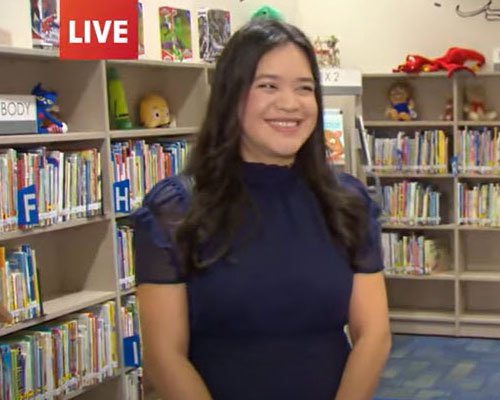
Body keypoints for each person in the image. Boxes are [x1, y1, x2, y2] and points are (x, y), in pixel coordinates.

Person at [133, 18, 391, 400]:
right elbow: (163, 356)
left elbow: (374, 335)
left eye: (304, 88)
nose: (290, 103)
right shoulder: (175, 210)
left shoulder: (348, 204)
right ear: (231, 95)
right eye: (268, 86)